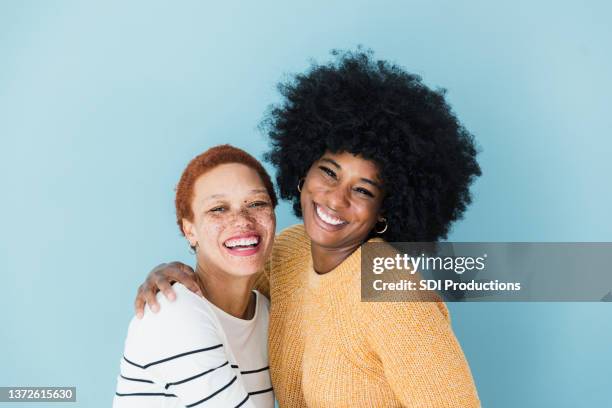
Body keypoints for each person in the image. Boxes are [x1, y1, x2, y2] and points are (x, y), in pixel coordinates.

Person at [135, 49, 482, 407]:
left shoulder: (392, 293)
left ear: (384, 210)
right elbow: (228, 287)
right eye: (328, 172)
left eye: (363, 190)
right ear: (302, 172)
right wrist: (170, 274)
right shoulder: (289, 252)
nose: (335, 198)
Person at [114, 145, 277, 408]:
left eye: (257, 203)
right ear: (189, 230)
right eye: (218, 209)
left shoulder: (268, 311)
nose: (242, 221)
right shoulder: (174, 313)